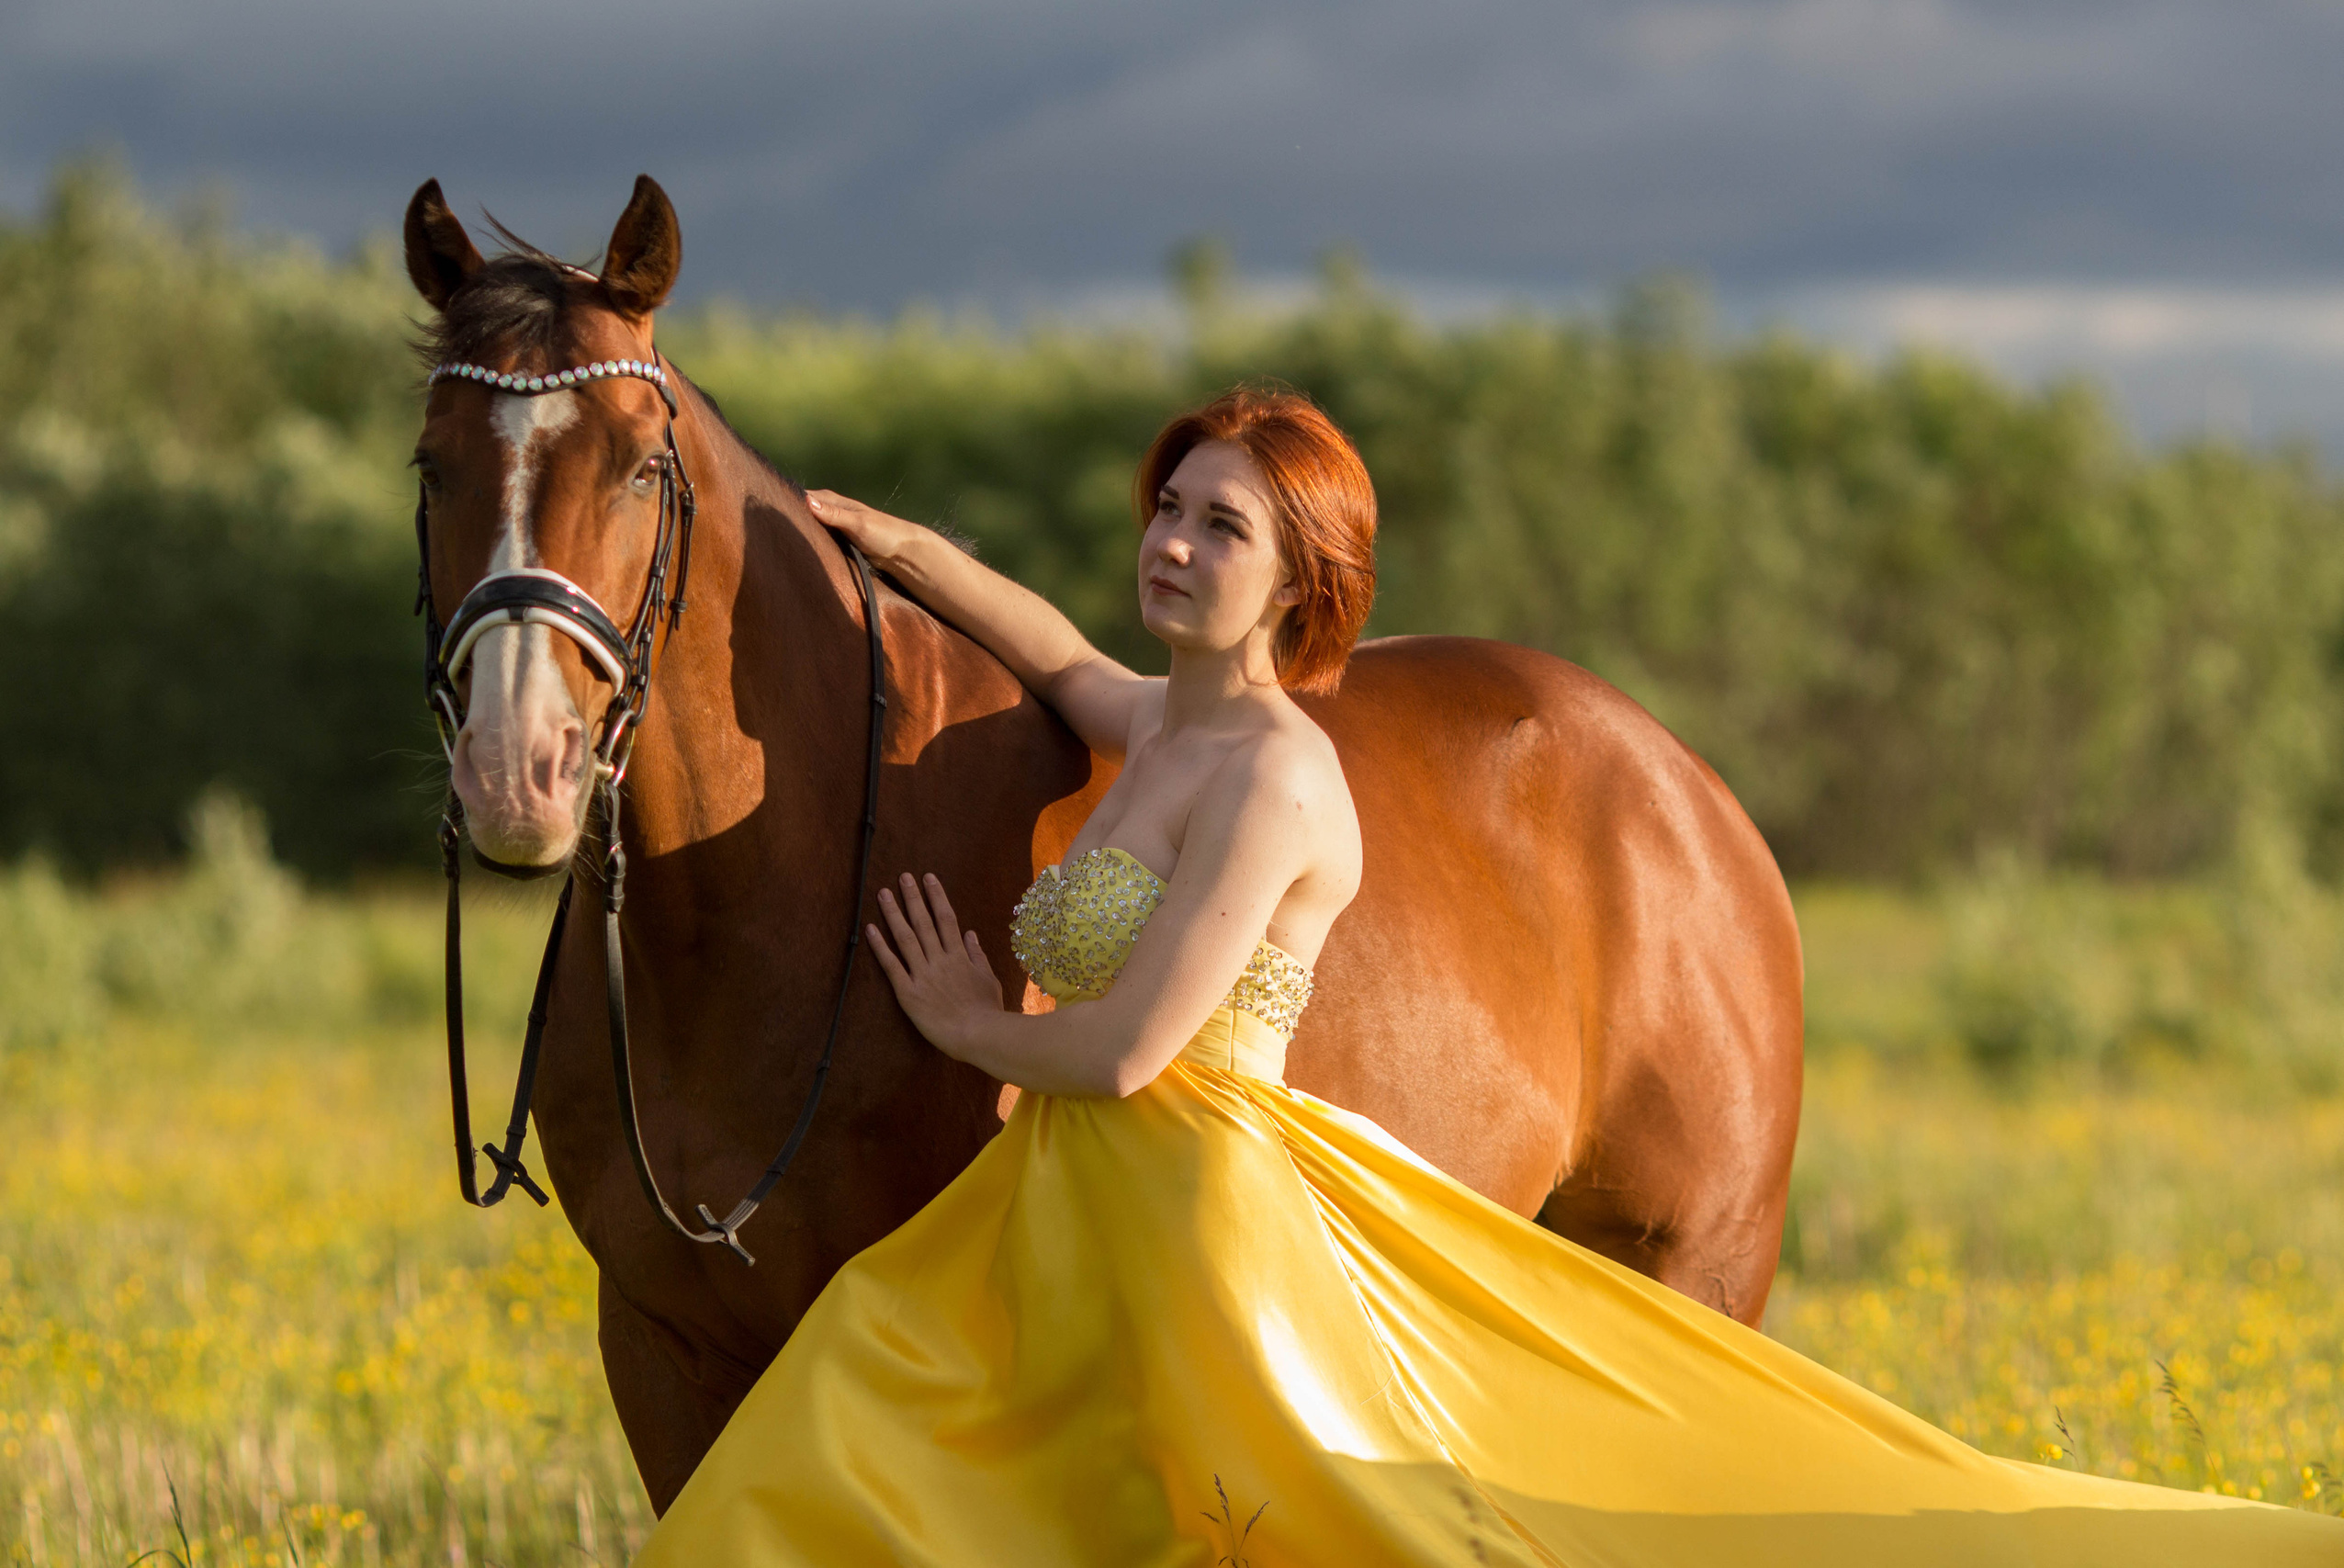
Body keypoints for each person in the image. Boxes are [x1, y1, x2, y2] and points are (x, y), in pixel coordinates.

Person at [633, 387, 2339, 1566]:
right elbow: (1059, 650)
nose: (1170, 542)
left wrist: (965, 1024)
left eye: (1218, 526)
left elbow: (1145, 1049)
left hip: (1196, 1224)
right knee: (863, 1419)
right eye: (1166, 506)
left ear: (1299, 577)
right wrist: (871, 541)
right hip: (1085, 1211)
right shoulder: (1156, 733)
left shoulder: (1281, 776)